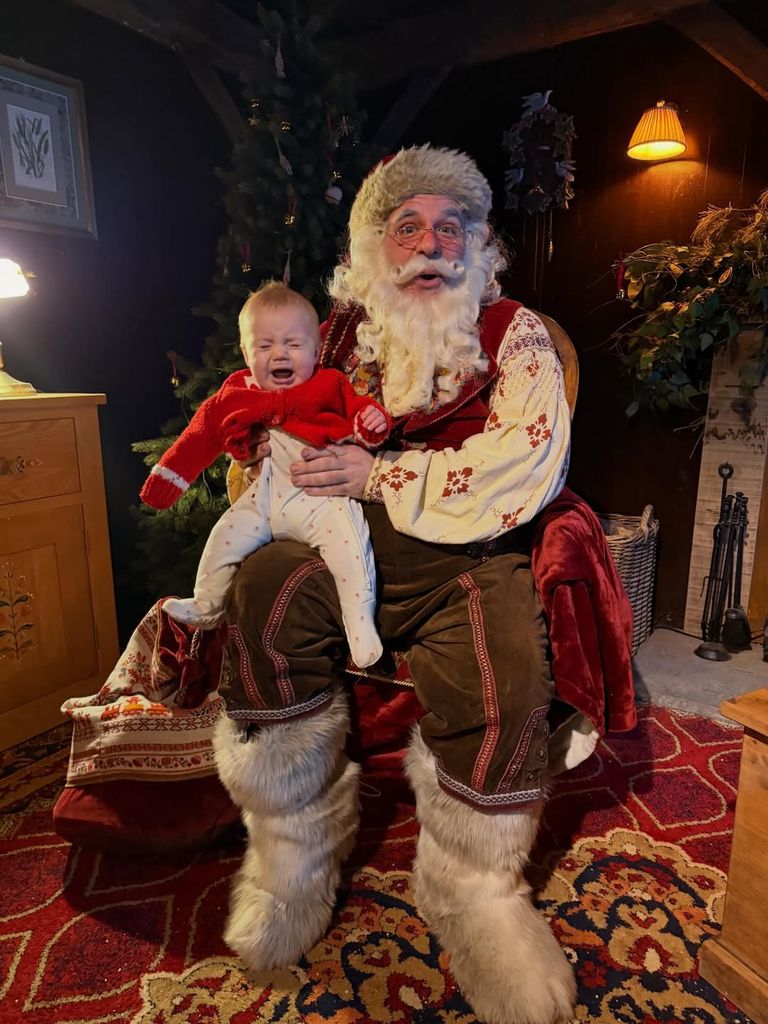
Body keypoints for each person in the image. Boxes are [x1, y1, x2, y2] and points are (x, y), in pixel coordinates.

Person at [214, 145, 578, 1024]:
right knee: (262, 593)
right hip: (343, 547)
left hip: (470, 553)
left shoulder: (516, 332)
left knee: (508, 668)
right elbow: (259, 409)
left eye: (448, 228)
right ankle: (291, 855)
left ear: (477, 247)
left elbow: (528, 456)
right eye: (407, 227)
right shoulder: (336, 333)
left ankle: (476, 891)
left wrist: (379, 475)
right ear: (375, 249)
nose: (428, 247)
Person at [140, 281, 391, 669]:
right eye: (265, 345)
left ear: (315, 350)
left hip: (318, 498)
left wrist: (370, 422)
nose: (280, 354)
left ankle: (359, 623)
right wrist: (164, 482)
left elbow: (359, 412)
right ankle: (208, 601)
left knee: (350, 546)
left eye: (293, 344)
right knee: (224, 535)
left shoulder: (329, 384)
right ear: (245, 352)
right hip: (264, 497)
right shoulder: (236, 395)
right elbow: (199, 437)